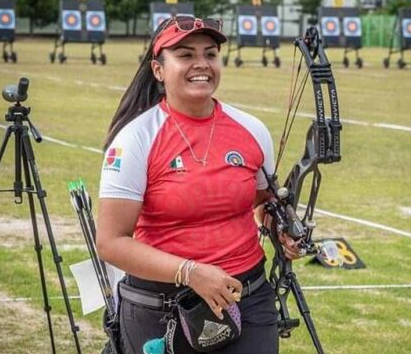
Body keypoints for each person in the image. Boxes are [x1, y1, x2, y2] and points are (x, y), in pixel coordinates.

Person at [97, 16, 302, 354]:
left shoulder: (250, 129)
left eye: (210, 54)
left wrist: (280, 227)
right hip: (161, 309)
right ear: (159, 69)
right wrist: (189, 272)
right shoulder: (135, 139)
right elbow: (110, 242)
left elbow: (262, 201)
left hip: (246, 301)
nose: (201, 64)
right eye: (186, 55)